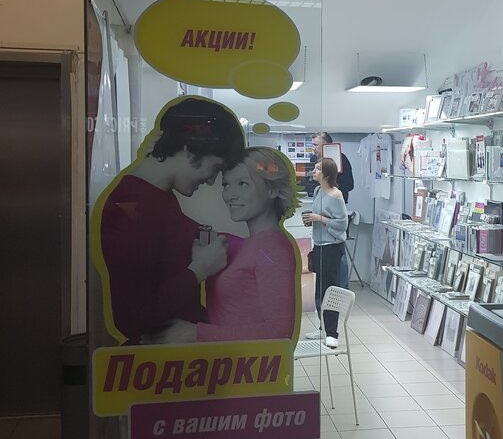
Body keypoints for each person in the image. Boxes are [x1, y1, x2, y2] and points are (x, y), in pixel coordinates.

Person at [95, 97, 245, 343]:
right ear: (191, 152)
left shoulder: (155, 196)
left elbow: (177, 232)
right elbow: (132, 319)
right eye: (215, 168)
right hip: (162, 359)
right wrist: (199, 270)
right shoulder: (130, 205)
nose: (211, 181)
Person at [191, 148, 301, 342]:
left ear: (272, 189)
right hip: (228, 358)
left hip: (246, 361)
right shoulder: (246, 244)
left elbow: (279, 332)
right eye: (226, 185)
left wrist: (194, 333)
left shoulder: (272, 249)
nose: (230, 195)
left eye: (242, 184)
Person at [303, 158, 348, 349]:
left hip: (332, 247)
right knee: (319, 290)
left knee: (330, 290)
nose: (314, 171)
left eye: (318, 169)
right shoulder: (317, 191)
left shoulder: (336, 195)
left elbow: (342, 224)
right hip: (319, 245)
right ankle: (322, 327)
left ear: (327, 174)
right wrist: (312, 220)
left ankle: (332, 333)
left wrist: (319, 218)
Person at [306, 132, 354, 287]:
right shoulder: (314, 162)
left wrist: (330, 187)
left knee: (337, 258)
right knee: (322, 274)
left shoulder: (341, 160)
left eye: (316, 145)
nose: (313, 148)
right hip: (320, 232)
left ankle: (341, 289)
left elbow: (349, 185)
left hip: (335, 212)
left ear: (326, 145)